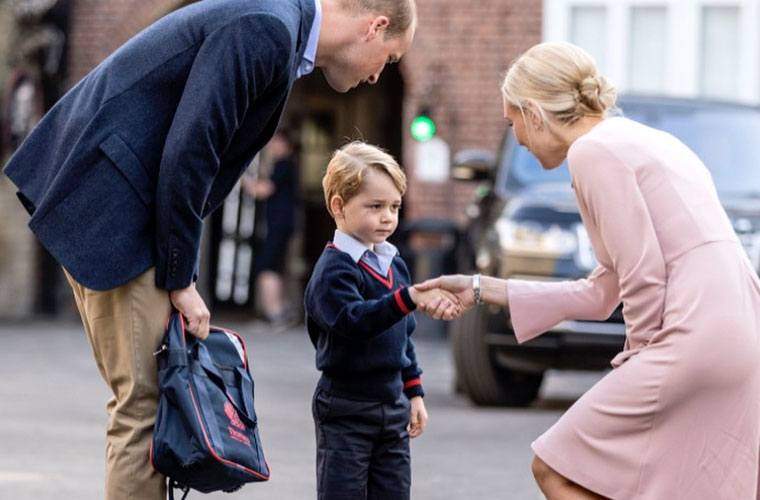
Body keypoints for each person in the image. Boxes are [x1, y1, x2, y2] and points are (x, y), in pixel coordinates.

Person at [2, 0, 417, 498]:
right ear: (374, 28)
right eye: (389, 60)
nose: (379, 77)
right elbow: (191, 151)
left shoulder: (277, 25)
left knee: (151, 403)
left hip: (120, 207)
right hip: (119, 213)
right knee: (147, 409)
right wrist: (182, 279)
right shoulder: (268, 29)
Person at [418, 41, 760, 499]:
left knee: (555, 467)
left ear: (535, 112)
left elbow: (642, 276)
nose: (516, 135)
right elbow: (603, 291)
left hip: (691, 336)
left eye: (512, 121)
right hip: (739, 331)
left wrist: (635, 359)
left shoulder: (593, 152)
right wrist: (480, 287)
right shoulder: (643, 140)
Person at [304, 142, 460, 500]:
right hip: (345, 407)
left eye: (394, 207)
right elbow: (353, 322)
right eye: (375, 207)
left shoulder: (394, 264)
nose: (388, 217)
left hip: (392, 406)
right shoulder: (333, 271)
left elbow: (403, 337)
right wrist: (405, 299)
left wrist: (414, 392)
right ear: (338, 206)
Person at [242, 129, 299, 325]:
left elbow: (263, 190)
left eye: (276, 143)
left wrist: (241, 177)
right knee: (273, 266)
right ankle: (278, 312)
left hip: (278, 225)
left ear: (285, 144)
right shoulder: (285, 165)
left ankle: (275, 313)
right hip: (280, 225)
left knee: (266, 267)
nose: (272, 147)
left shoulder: (284, 164)